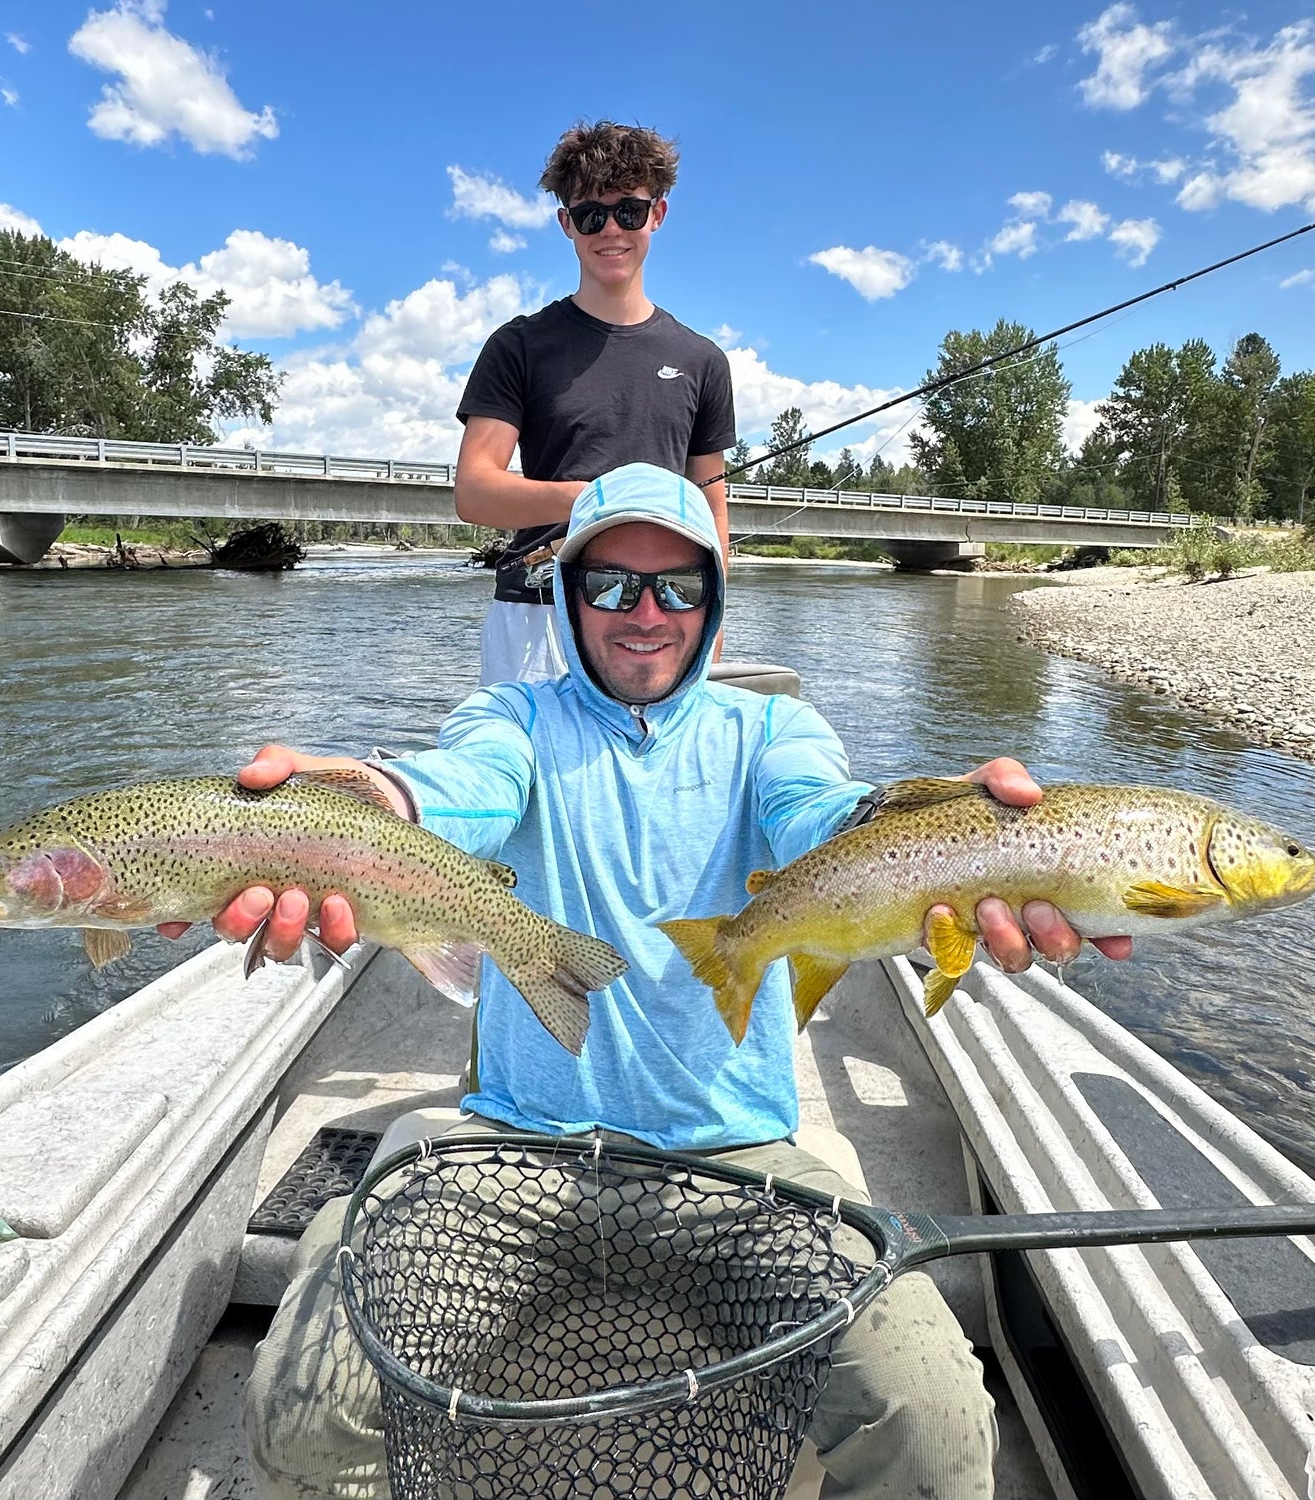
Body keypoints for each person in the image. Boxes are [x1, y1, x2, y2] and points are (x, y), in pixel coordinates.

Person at [203, 463, 1132, 1499]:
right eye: (610, 585)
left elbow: (825, 815)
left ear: (714, 601)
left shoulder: (773, 733)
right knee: (303, 1402)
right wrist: (376, 801)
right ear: (566, 594)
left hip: (744, 1161)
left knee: (938, 1424)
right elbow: (456, 788)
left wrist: (943, 843)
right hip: (514, 1147)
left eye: (678, 588)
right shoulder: (509, 718)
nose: (645, 614)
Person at [453, 120, 736, 686]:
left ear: (657, 213)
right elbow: (475, 491)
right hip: (540, 617)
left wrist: (715, 620)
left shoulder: (703, 361)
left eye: (628, 211)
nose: (611, 230)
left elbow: (712, 508)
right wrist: (598, 500)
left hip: (661, 619)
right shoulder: (519, 346)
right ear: (566, 225)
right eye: (590, 215)